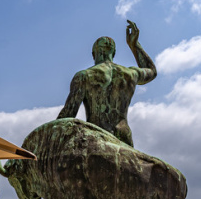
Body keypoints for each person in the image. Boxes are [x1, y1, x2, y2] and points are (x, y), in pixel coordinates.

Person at [57, 20, 157, 148]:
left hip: (97, 137)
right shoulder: (131, 74)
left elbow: (68, 114)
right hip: (124, 136)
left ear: (94, 54)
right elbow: (152, 71)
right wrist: (134, 45)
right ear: (113, 53)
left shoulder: (84, 76)